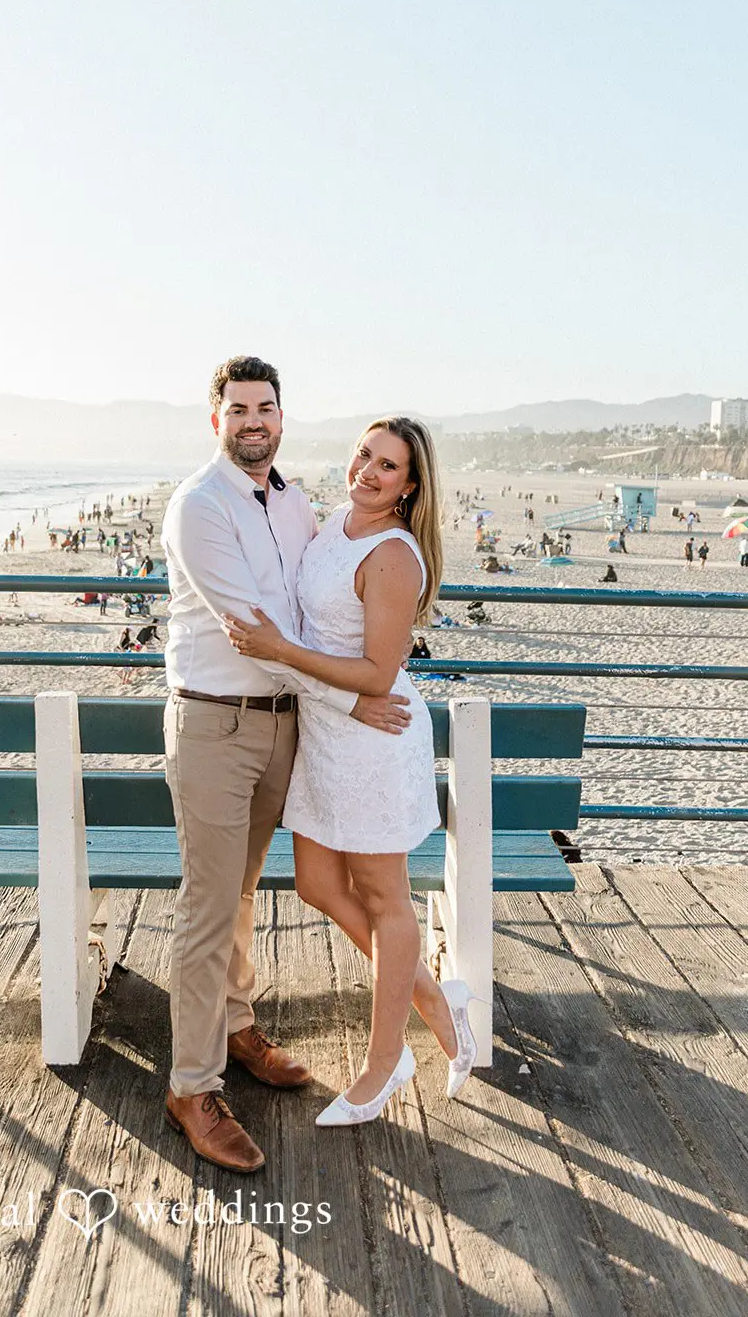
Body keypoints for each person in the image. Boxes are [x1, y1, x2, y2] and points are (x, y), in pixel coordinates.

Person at [159, 357, 412, 1174]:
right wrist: (352, 699)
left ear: (280, 416)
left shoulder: (296, 500)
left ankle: (234, 1030)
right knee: (206, 907)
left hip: (283, 728)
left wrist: (341, 697)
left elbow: (318, 608)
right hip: (215, 726)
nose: (253, 420)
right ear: (216, 421)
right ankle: (192, 1087)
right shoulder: (198, 507)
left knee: (237, 895)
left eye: (265, 407)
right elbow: (256, 631)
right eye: (237, 409)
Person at [226, 414, 476, 1135]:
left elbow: (379, 674)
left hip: (374, 740)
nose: (366, 471)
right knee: (316, 883)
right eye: (363, 455)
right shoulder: (334, 522)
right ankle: (432, 1000)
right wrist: (324, 685)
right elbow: (333, 661)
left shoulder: (394, 556)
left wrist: (279, 649)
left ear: (410, 486)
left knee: (385, 898)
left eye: (387, 466)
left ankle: (384, 1061)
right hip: (330, 729)